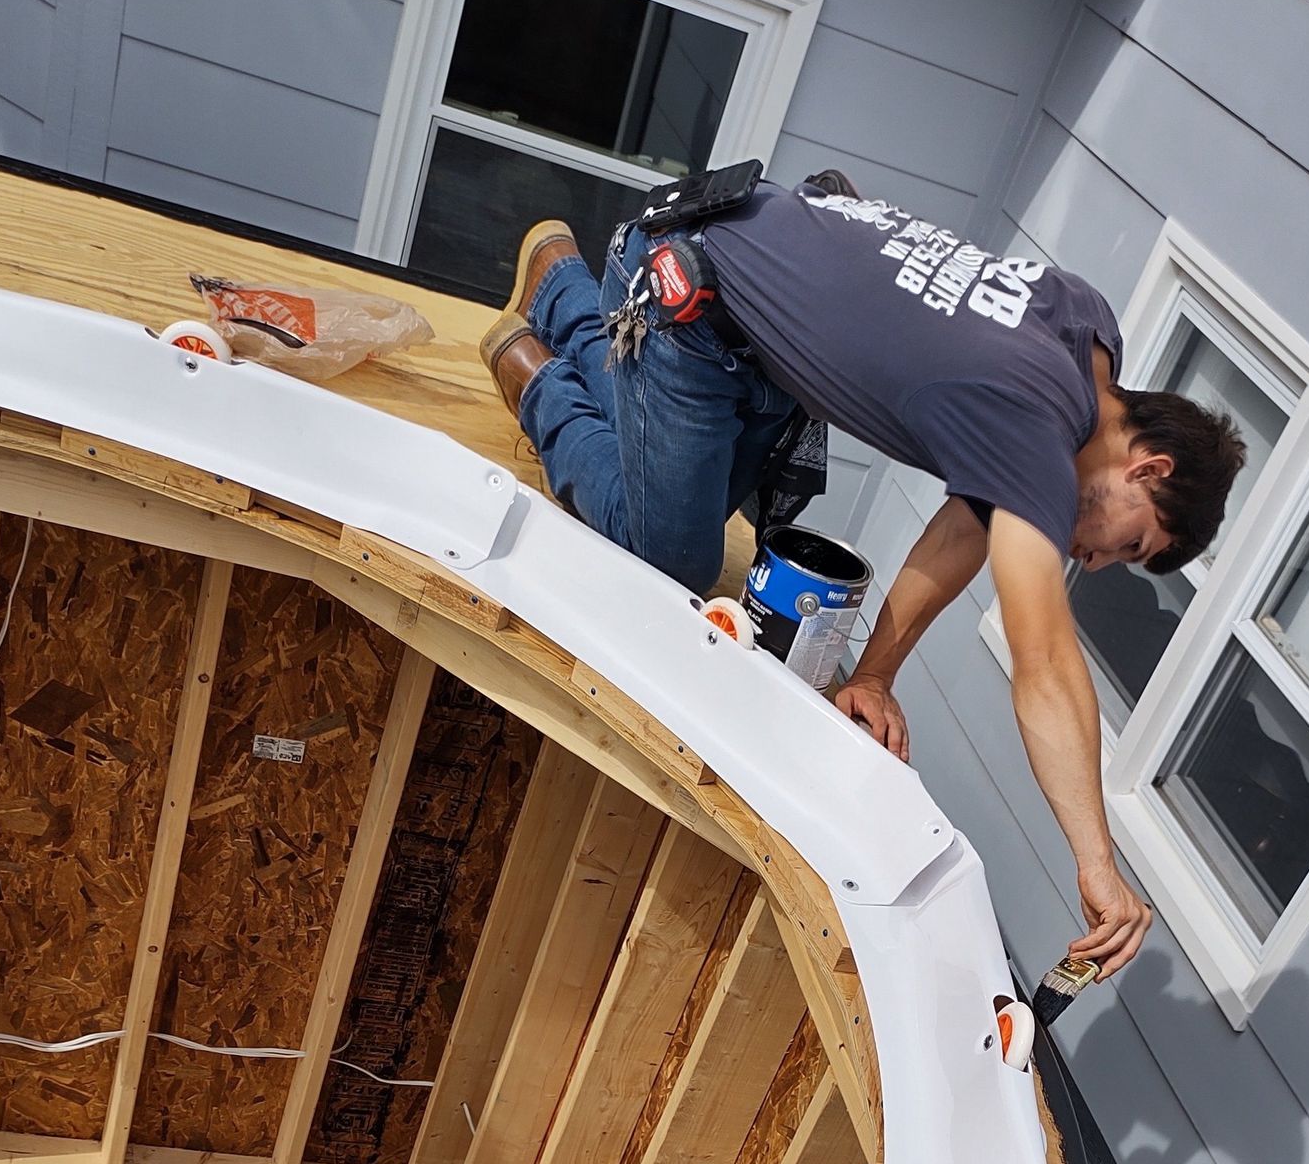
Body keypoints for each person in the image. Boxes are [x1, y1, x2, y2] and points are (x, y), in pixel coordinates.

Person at [477, 177, 1245, 978]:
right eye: (1126, 545)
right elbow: (1045, 664)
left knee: (685, 498)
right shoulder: (1034, 428)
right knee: (670, 556)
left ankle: (562, 285)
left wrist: (874, 675)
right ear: (1148, 468)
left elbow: (966, 525)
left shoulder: (1087, 339)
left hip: (750, 298)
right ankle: (544, 366)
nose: (1091, 561)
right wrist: (1095, 862)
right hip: (691, 296)